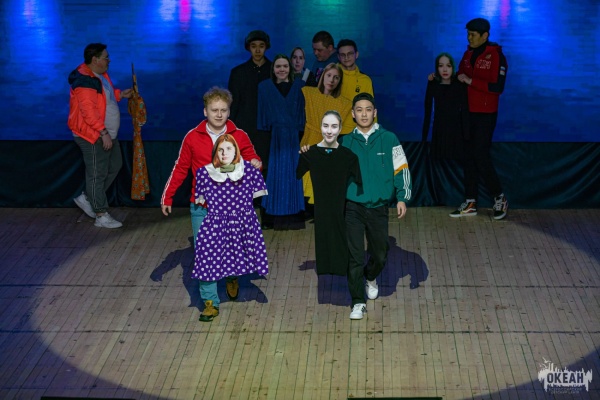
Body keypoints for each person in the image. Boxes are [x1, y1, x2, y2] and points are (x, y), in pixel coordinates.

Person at [161, 87, 262, 306]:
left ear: (229, 111)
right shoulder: (192, 137)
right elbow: (181, 168)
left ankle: (232, 276)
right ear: (205, 111)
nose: (219, 114)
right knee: (205, 253)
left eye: (223, 110)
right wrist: (168, 196)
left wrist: (256, 163)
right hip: (203, 206)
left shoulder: (239, 135)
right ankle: (209, 301)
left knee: (231, 248)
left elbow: (253, 158)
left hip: (232, 207)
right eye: (214, 110)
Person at [340, 93, 412, 320]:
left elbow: (402, 169)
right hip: (353, 206)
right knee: (354, 256)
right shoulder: (345, 142)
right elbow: (329, 166)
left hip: (379, 207)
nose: (364, 114)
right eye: (359, 110)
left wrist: (402, 197)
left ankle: (370, 277)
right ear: (353, 114)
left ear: (375, 112)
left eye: (368, 109)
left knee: (380, 254)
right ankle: (357, 302)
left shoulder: (389, 139)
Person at [192, 134, 269, 322]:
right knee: (206, 259)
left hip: (239, 224)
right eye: (220, 149)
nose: (224, 153)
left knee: (234, 254)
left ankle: (231, 277)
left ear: (236, 151)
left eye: (229, 148)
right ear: (215, 152)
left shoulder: (248, 172)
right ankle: (210, 303)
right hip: (214, 224)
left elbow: (258, 191)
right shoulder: (205, 173)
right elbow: (199, 199)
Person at [68, 42, 133, 229]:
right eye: (106, 57)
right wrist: (102, 132)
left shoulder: (100, 74)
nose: (109, 60)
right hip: (93, 135)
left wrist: (120, 95)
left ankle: (89, 198)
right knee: (97, 174)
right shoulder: (84, 82)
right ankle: (101, 214)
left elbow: (105, 97)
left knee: (115, 165)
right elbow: (88, 113)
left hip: (107, 133)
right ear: (95, 60)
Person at [452, 18, 509, 219]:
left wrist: (471, 81)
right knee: (468, 155)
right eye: (467, 34)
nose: (469, 38)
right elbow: (460, 76)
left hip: (485, 114)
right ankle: (470, 202)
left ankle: (499, 197)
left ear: (485, 36)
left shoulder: (496, 56)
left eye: (473, 35)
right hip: (467, 112)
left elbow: (497, 87)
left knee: (480, 155)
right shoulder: (467, 54)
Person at [296, 111, 361, 275]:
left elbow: (359, 181)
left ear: (340, 129)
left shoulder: (348, 156)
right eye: (326, 126)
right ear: (320, 127)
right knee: (323, 235)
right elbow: (296, 173)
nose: (329, 131)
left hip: (341, 208)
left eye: (334, 126)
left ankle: (342, 267)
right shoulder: (311, 154)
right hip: (321, 210)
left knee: (340, 235)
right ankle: (326, 266)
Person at [257, 54, 306, 229]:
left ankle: (294, 218)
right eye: (278, 66)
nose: (282, 69)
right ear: (273, 69)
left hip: (293, 139)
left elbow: (302, 116)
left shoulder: (300, 86)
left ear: (290, 68)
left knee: (293, 175)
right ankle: (273, 218)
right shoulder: (264, 87)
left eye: (285, 66)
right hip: (275, 140)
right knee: (275, 176)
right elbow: (262, 119)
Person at [300, 63, 354, 205]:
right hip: (309, 140)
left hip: (327, 144)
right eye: (329, 75)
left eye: (336, 77)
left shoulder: (344, 104)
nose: (332, 80)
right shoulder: (308, 93)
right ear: (323, 76)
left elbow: (348, 128)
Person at [422, 53, 469, 203]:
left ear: (453, 67)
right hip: (439, 132)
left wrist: (466, 135)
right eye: (441, 66)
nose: (444, 69)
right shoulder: (433, 84)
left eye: (448, 66)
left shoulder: (459, 84)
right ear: (436, 68)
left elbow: (465, 110)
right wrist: (424, 138)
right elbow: (427, 110)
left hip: (456, 132)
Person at [228, 30, 272, 169]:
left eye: (261, 46)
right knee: (243, 169)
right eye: (254, 46)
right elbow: (233, 104)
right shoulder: (238, 73)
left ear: (266, 47)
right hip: (245, 128)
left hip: (268, 129)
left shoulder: (274, 71)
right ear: (248, 48)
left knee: (265, 168)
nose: (257, 50)